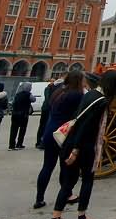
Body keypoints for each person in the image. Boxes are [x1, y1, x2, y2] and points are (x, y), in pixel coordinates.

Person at [51, 69, 116, 219]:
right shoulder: (102, 101)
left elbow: (78, 119)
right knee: (87, 181)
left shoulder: (89, 94)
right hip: (85, 146)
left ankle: (56, 216)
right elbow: (87, 126)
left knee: (68, 182)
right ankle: (81, 215)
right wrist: (76, 150)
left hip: (70, 142)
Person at [35, 71, 84, 210]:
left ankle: (39, 199)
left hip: (51, 130)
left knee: (47, 166)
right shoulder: (76, 95)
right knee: (66, 166)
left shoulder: (58, 92)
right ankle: (67, 195)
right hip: (64, 133)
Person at [9, 81, 36, 150]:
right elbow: (33, 100)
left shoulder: (17, 94)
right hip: (23, 115)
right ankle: (19, 144)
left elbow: (13, 102)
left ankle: (11, 145)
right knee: (22, 130)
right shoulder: (28, 94)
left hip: (15, 114)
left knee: (13, 130)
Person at [36, 78, 58, 149]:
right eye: (52, 81)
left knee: (45, 125)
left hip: (48, 108)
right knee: (43, 125)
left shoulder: (52, 88)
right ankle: (39, 142)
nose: (53, 82)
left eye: (54, 81)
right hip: (46, 109)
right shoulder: (48, 88)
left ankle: (42, 141)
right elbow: (48, 99)